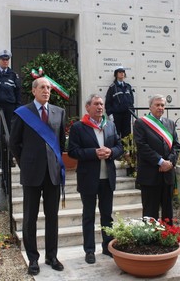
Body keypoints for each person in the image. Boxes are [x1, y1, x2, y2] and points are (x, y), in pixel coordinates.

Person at [9, 77, 65, 276]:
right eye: (42, 87)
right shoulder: (24, 113)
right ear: (33, 91)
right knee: (30, 217)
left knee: (52, 217)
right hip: (32, 172)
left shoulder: (59, 112)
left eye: (49, 88)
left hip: (52, 173)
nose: (46, 91)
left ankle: (52, 256)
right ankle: (33, 258)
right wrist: (25, 162)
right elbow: (14, 142)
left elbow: (60, 144)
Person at [68, 94, 123, 264]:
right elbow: (72, 151)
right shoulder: (78, 127)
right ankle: (89, 251)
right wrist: (94, 153)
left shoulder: (110, 125)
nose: (100, 107)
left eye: (101, 104)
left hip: (107, 179)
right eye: (96, 104)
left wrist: (111, 152)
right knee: (89, 216)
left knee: (107, 215)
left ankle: (107, 247)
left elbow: (119, 146)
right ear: (88, 107)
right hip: (88, 179)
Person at [133, 94, 180, 223]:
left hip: (167, 174)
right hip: (150, 175)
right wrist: (160, 162)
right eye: (157, 105)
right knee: (150, 213)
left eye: (162, 105)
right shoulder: (141, 123)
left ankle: (167, 238)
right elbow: (142, 146)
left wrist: (169, 162)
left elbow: (176, 145)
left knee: (168, 212)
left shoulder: (170, 123)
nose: (160, 107)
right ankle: (150, 241)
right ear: (150, 107)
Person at [0, 49, 21, 168]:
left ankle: (10, 159)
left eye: (7, 60)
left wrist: (18, 107)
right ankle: (0, 160)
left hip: (10, 107)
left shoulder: (13, 75)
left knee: (11, 133)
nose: (6, 62)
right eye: (3, 60)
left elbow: (18, 92)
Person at [105, 66, 134, 138]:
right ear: (116, 74)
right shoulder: (112, 87)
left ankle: (127, 149)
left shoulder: (128, 86)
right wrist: (110, 114)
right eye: (120, 72)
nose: (122, 74)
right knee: (116, 134)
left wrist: (132, 111)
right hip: (117, 115)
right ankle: (117, 149)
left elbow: (131, 100)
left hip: (127, 114)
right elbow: (108, 102)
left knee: (127, 135)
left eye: (123, 72)